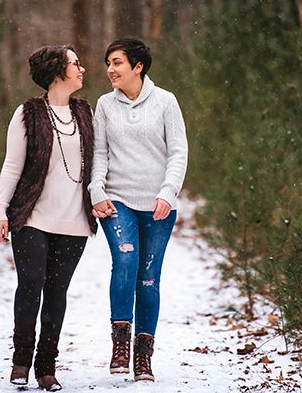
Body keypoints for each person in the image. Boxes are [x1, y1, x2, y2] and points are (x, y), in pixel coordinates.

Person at [0, 45, 95, 391]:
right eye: (75, 64)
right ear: (57, 72)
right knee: (31, 284)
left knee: (56, 291)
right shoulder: (28, 113)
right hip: (32, 215)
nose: (82, 69)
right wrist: (0, 208)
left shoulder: (85, 112)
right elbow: (12, 165)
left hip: (75, 220)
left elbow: (99, 162)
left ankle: (46, 367)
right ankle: (21, 361)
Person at [89, 38, 188, 382]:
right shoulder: (104, 104)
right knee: (126, 261)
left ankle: (144, 356)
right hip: (117, 198)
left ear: (138, 66)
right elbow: (99, 151)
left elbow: (178, 152)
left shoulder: (165, 102)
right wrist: (96, 188)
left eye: (116, 62)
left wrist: (168, 191)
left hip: (159, 203)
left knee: (148, 278)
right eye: (108, 63)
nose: (110, 70)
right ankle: (120, 343)